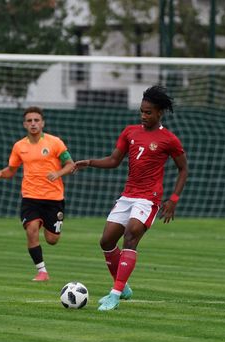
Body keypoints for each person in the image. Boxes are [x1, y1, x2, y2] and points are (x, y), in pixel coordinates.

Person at [73, 86, 189, 312]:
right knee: (106, 241)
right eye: (141, 111)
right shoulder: (130, 132)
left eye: (148, 112)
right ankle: (123, 287)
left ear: (159, 113)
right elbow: (114, 160)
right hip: (128, 196)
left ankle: (115, 294)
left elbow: (183, 169)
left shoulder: (169, 139)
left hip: (149, 199)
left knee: (131, 236)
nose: (143, 116)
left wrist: (173, 199)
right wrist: (88, 162)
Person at [0, 106, 75, 282]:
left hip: (54, 198)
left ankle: (48, 224)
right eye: (29, 121)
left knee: (52, 239)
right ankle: (42, 272)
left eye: (36, 120)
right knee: (31, 230)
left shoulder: (55, 143)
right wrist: (1, 173)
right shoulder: (19, 146)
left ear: (42, 123)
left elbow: (70, 165)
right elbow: (12, 170)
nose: (33, 124)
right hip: (30, 197)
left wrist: (58, 173)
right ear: (24, 125)